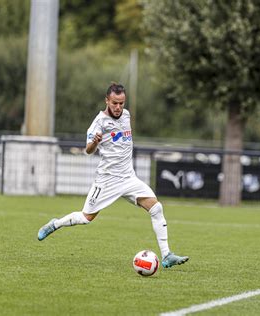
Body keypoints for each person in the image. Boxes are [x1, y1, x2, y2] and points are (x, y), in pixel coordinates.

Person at [37, 83, 189, 269]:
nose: (118, 107)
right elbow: (88, 150)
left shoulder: (126, 115)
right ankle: (55, 224)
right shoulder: (98, 123)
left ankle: (166, 255)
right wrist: (94, 142)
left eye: (122, 103)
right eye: (115, 103)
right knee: (86, 218)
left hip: (129, 178)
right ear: (107, 101)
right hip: (107, 180)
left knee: (156, 208)